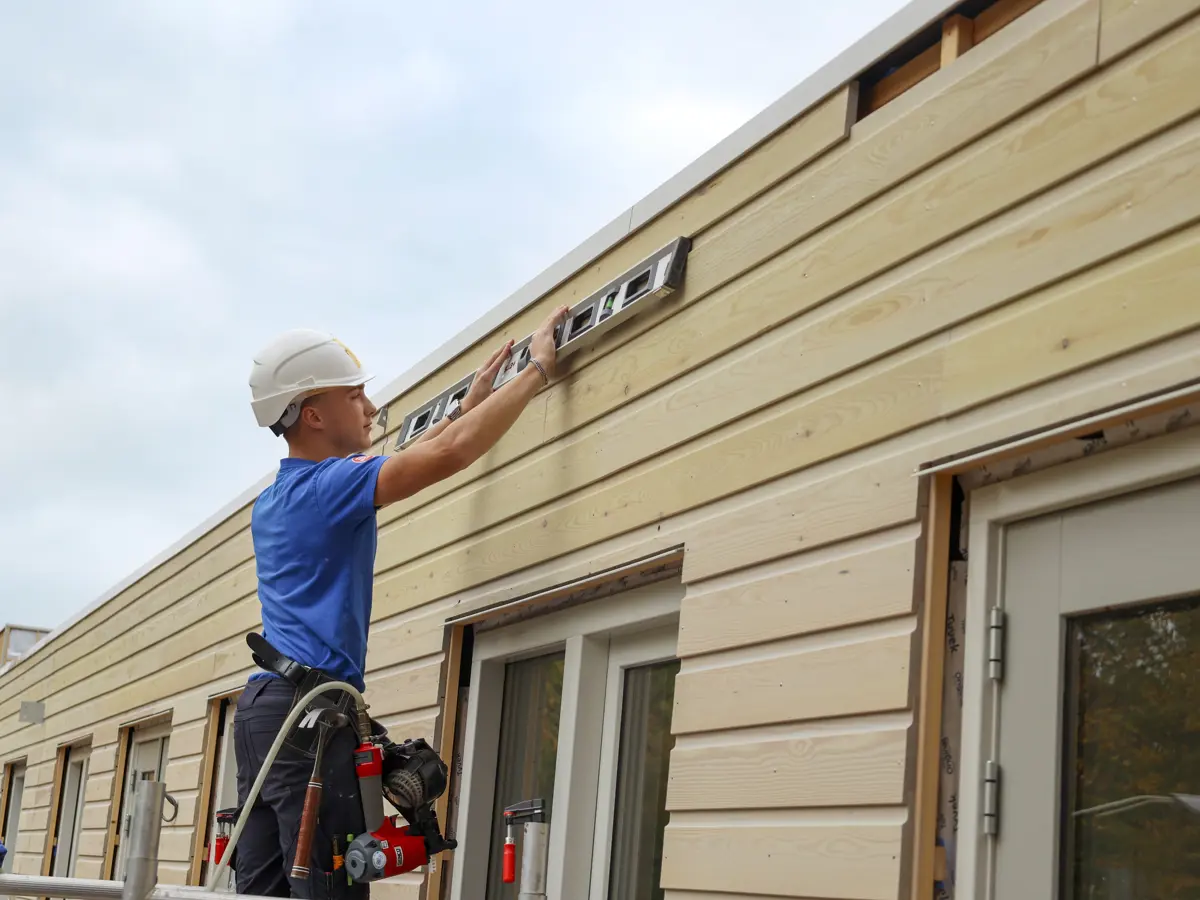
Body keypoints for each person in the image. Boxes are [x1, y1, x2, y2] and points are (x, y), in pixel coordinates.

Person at [233, 304, 569, 899]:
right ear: (313, 413)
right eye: (356, 396)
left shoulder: (285, 495)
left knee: (264, 891)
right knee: (331, 887)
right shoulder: (330, 488)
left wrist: (469, 409)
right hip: (309, 713)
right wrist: (536, 371)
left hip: (268, 708)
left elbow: (412, 453)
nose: (370, 408)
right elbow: (449, 455)